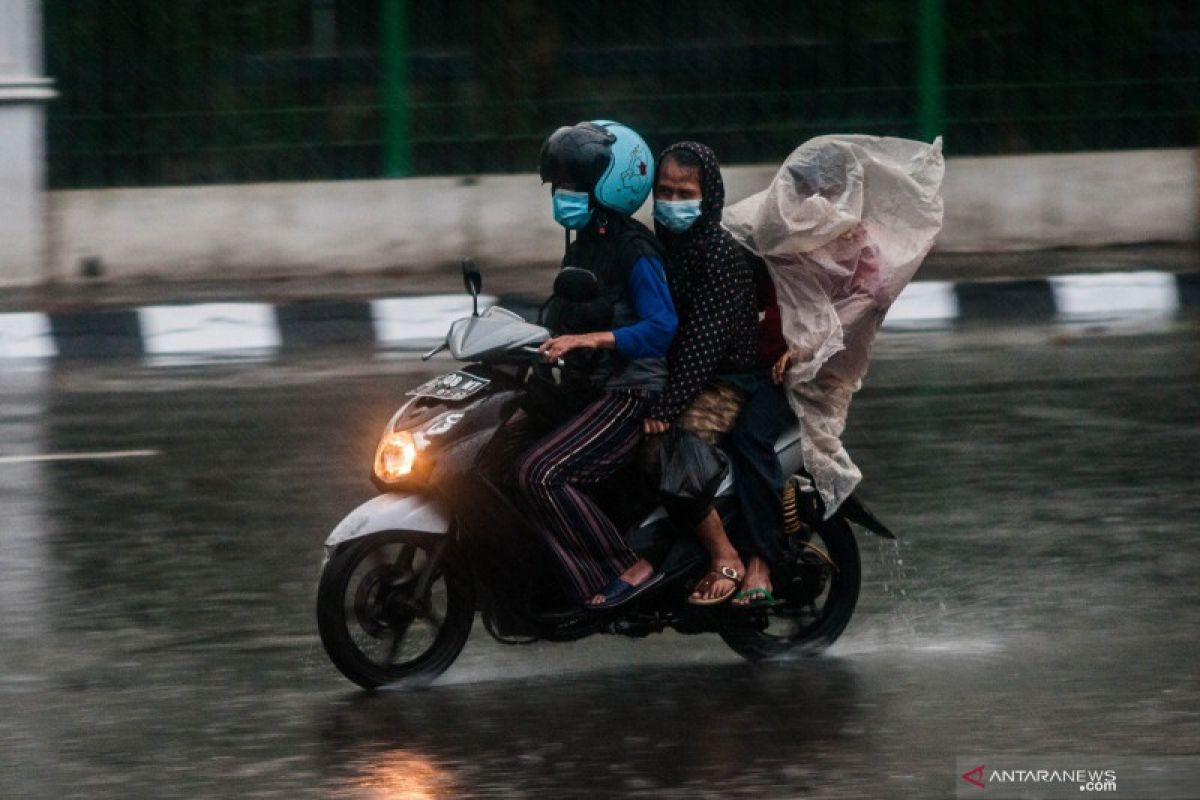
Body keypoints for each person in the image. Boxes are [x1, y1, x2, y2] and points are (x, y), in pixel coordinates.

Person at [723, 135, 945, 515]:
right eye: (807, 191)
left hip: (805, 377)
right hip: (759, 357)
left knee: (750, 437)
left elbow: (859, 311)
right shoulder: (781, 224)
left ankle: (759, 556)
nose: (815, 201)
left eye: (826, 192)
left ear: (844, 196)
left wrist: (806, 348)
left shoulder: (863, 255)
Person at [514, 120, 678, 610]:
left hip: (630, 392)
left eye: (575, 183)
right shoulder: (583, 241)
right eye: (559, 183)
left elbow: (661, 327)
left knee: (541, 473)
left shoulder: (633, 249)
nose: (564, 193)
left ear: (611, 184)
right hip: (590, 386)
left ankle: (623, 565)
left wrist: (593, 339)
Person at [614, 140, 761, 606]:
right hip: (671, 372)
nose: (673, 203)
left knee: (667, 445)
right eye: (665, 192)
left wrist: (668, 406)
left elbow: (704, 343)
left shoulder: (719, 252)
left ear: (709, 195)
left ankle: (725, 555)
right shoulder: (658, 245)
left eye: (685, 193)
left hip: (724, 379)